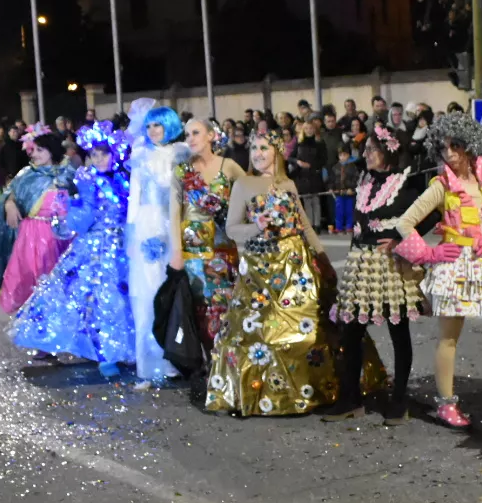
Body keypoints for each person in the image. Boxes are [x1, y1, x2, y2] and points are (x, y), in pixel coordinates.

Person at [208, 130, 360, 416]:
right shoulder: (243, 184)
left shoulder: (289, 184)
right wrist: (257, 227)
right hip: (260, 270)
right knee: (261, 334)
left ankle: (309, 391)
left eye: (264, 148)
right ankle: (262, 396)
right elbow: (231, 228)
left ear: (277, 152)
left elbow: (304, 226)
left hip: (295, 269)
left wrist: (324, 259)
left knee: (308, 330)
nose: (257, 153)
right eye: (254, 148)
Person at [392, 113, 482, 429]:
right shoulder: (441, 185)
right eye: (443, 148)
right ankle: (447, 403)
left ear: (469, 145)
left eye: (455, 146)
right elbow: (403, 223)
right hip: (455, 266)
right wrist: (429, 253)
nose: (449, 154)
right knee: (449, 336)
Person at [11, 122, 134, 377]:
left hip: (123, 246)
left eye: (104, 153)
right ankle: (104, 353)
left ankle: (119, 350)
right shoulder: (90, 180)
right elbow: (82, 219)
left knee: (118, 300)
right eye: (94, 154)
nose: (99, 159)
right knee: (96, 299)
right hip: (95, 248)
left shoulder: (123, 179)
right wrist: (66, 212)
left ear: (114, 155)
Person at [327, 129, 425, 424]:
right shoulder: (365, 180)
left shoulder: (406, 181)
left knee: (399, 331)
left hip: (390, 264)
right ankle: (351, 397)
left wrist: (400, 238)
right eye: (366, 149)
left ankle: (399, 400)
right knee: (351, 330)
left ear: (389, 151)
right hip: (361, 264)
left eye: (372, 149)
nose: (367, 154)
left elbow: (431, 211)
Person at [124, 103, 191, 387]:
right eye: (148, 126)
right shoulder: (139, 156)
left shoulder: (181, 154)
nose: (152, 131)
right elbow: (133, 199)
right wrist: (133, 236)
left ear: (169, 126)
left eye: (158, 125)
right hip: (146, 228)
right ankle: (149, 363)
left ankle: (174, 357)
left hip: (174, 225)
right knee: (146, 293)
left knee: (171, 291)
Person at [176, 116, 247, 345]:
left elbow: (253, 195)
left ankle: (226, 358)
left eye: (196, 132)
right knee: (199, 303)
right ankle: (205, 362)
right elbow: (173, 212)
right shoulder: (181, 170)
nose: (190, 138)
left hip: (223, 242)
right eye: (187, 135)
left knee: (225, 301)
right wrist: (175, 250)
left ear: (211, 136)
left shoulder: (229, 165)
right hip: (193, 241)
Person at [0, 130, 72, 314]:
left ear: (52, 151)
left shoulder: (68, 173)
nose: (34, 154)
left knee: (60, 278)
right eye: (33, 150)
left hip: (63, 234)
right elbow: (10, 196)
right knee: (33, 275)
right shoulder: (27, 174)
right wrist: (9, 205)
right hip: (34, 233)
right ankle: (34, 318)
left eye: (40, 150)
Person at [330, 144, 360, 234]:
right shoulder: (335, 167)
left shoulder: (353, 167)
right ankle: (338, 227)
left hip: (349, 193)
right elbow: (331, 179)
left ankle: (349, 226)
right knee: (339, 211)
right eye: (340, 155)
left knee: (349, 210)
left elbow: (356, 179)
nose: (342, 157)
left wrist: (352, 188)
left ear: (348, 155)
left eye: (344, 155)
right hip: (339, 193)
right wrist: (331, 188)